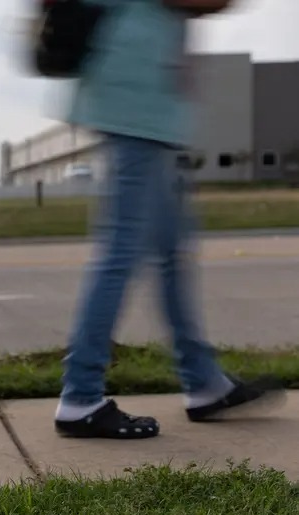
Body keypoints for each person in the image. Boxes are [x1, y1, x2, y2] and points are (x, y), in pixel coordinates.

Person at [52, 0, 286, 439]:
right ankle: (81, 395)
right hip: (135, 98)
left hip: (140, 97)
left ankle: (204, 382)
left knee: (171, 251)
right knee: (122, 251)